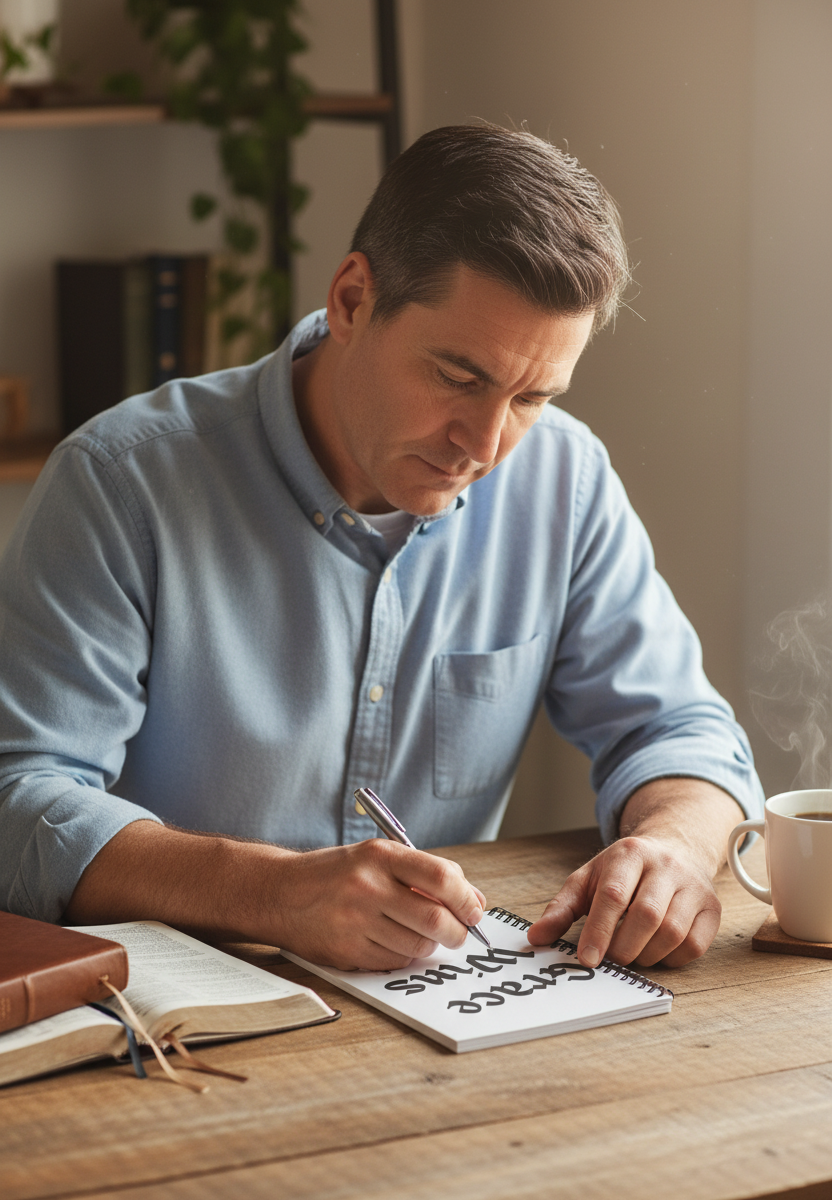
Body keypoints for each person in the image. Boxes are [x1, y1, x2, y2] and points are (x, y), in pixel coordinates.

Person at [0, 124, 763, 973]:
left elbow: (679, 730)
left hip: (435, 1009)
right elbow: (17, 800)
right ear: (352, 300)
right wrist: (270, 892)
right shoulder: (121, 482)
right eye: (459, 377)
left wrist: (676, 845)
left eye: (532, 398)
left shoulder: (565, 480)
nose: (485, 444)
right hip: (175, 1011)